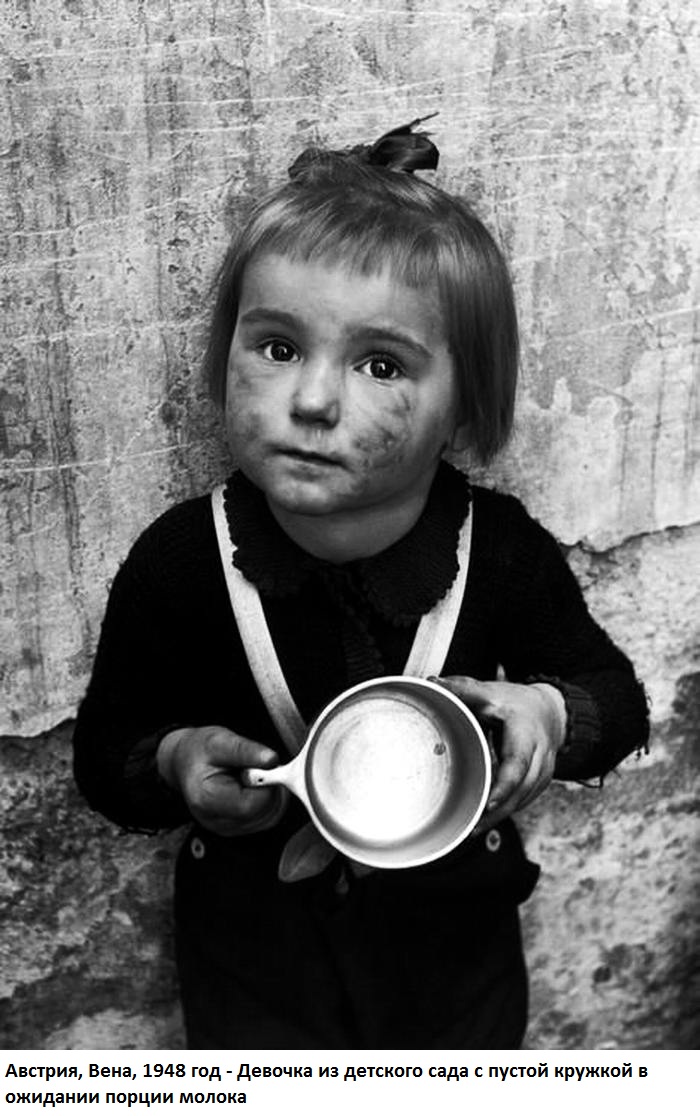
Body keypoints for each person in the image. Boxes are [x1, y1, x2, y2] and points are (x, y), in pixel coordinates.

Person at [73, 117, 649, 1049]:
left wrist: (548, 714)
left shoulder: (498, 551)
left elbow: (617, 700)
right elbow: (105, 754)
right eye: (277, 347)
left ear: (465, 407)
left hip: (453, 965)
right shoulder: (183, 561)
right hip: (255, 968)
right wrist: (175, 761)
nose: (310, 401)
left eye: (381, 365)